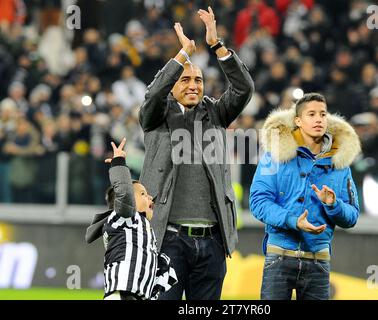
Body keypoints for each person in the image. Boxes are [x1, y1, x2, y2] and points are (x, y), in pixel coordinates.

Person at [138, 6, 254, 300]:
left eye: (198, 80)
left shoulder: (216, 113)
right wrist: (182, 56)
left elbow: (243, 88)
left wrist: (216, 45)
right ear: (173, 85)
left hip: (212, 242)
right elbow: (152, 95)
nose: (193, 85)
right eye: (185, 80)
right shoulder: (157, 116)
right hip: (168, 240)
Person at [249, 93, 360, 300]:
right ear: (298, 121)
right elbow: (258, 202)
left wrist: (334, 204)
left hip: (318, 261)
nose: (319, 119)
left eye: (323, 114)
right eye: (311, 114)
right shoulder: (274, 156)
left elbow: (352, 216)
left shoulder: (340, 163)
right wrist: (292, 221)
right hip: (278, 256)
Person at [85, 138, 177, 300]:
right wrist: (118, 162)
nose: (150, 198)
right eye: (143, 194)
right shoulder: (125, 218)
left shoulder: (142, 228)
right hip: (122, 293)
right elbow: (125, 192)